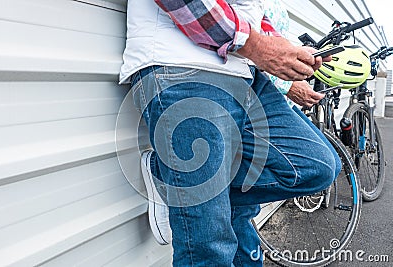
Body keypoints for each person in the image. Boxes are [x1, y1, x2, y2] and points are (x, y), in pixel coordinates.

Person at [119, 0, 341, 266]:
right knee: (210, 247)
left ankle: (176, 184)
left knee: (315, 166)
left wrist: (290, 52)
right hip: (186, 69)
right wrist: (258, 47)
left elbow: (250, 16)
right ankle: (185, 190)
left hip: (246, 74)